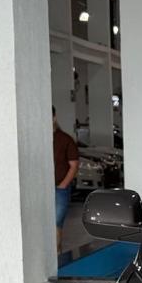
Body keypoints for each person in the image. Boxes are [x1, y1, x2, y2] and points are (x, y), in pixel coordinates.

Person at [53, 106, 79, 253]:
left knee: (56, 223)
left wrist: (63, 185)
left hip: (60, 189)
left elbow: (74, 166)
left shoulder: (65, 139)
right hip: (40, 190)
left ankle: (57, 255)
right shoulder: (38, 139)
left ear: (54, 118)